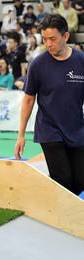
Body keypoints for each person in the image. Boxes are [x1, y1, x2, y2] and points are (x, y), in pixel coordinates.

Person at [15, 14, 84, 196]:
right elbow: (29, 99)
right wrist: (21, 134)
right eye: (45, 39)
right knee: (63, 180)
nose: (48, 44)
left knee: (79, 181)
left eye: (52, 39)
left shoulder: (80, 60)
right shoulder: (38, 64)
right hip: (49, 130)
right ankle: (63, 219)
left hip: (76, 129)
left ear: (66, 37)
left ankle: (51, 190)